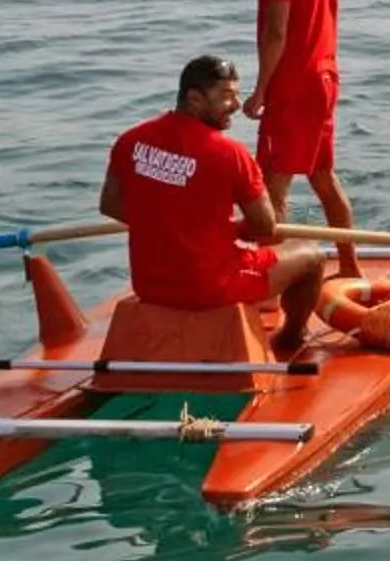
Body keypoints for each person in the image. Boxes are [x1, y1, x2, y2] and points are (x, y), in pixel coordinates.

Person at [99, 54, 329, 351]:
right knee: (312, 257)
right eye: (226, 96)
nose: (235, 105)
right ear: (194, 98)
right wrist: (232, 229)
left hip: (149, 284)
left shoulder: (131, 140)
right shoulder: (231, 154)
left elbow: (110, 205)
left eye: (237, 95)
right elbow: (265, 226)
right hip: (210, 285)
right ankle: (291, 339)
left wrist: (171, 225)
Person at [241, 0, 362, 278]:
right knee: (322, 177)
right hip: (323, 81)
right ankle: (349, 268)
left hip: (295, 86)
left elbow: (276, 32)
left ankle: (273, 282)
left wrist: (260, 90)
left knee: (268, 188)